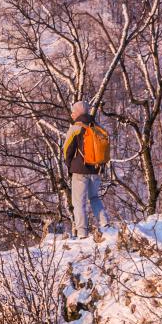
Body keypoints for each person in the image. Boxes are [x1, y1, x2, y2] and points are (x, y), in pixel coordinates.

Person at [62, 100, 111, 238]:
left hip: (79, 171)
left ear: (77, 112)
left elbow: (67, 150)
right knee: (94, 197)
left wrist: (70, 166)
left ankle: (82, 233)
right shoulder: (96, 126)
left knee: (79, 203)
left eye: (73, 111)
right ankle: (105, 224)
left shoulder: (75, 128)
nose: (72, 114)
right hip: (95, 169)